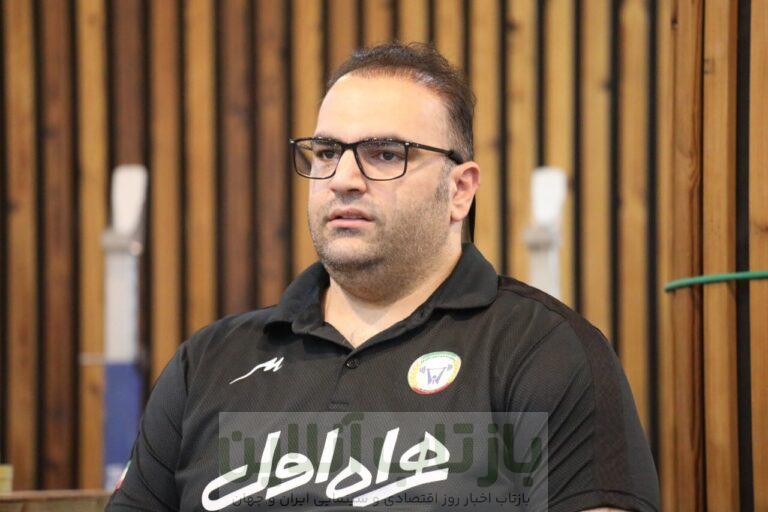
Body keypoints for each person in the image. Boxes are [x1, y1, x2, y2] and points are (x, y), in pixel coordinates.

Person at [106, 42, 659, 512]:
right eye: (327, 152)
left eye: (385, 154)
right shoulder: (208, 363)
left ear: (459, 190)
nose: (343, 178)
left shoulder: (543, 351)